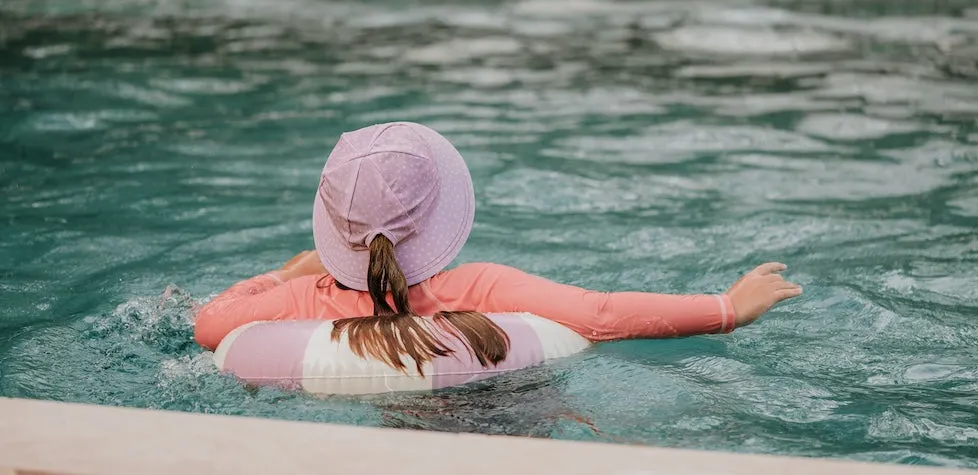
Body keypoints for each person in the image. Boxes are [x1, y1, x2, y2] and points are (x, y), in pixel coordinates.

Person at [194, 122, 802, 373]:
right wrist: (727, 308)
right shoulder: (477, 286)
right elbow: (601, 315)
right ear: (442, 221)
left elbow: (209, 325)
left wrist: (280, 275)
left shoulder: (303, 298)